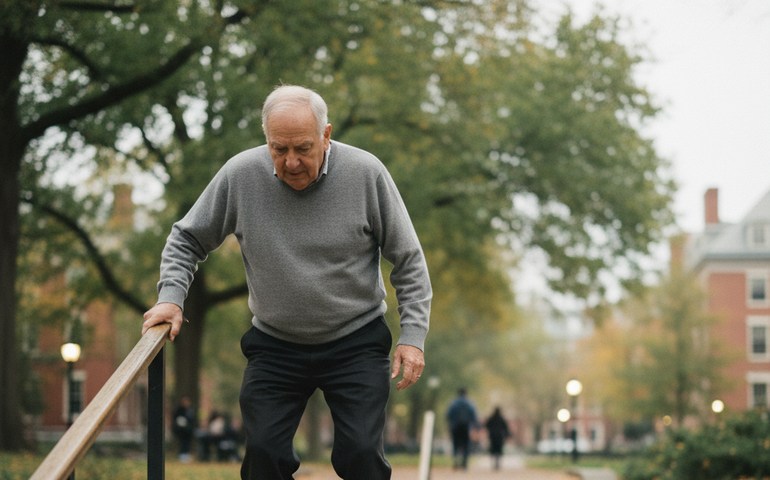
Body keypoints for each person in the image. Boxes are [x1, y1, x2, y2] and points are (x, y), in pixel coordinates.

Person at [141, 85, 432, 480]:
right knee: (262, 457)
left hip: (355, 340)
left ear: (326, 136)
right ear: (266, 139)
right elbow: (187, 237)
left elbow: (409, 259)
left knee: (361, 455)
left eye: (303, 149)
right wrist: (172, 297)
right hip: (276, 344)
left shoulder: (366, 174)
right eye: (279, 149)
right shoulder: (241, 175)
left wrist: (412, 336)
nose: (291, 162)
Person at [446, 388, 478, 470]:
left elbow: (448, 415)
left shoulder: (454, 403)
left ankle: (455, 462)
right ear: (466, 393)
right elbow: (474, 417)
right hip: (465, 427)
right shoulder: (469, 403)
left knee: (455, 445)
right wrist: (474, 427)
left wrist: (450, 425)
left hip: (455, 427)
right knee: (466, 445)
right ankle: (464, 464)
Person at [171, 397, 195, 463]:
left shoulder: (190, 410)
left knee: (188, 443)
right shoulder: (179, 410)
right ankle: (182, 455)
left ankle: (186, 454)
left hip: (189, 430)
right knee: (183, 442)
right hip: (182, 430)